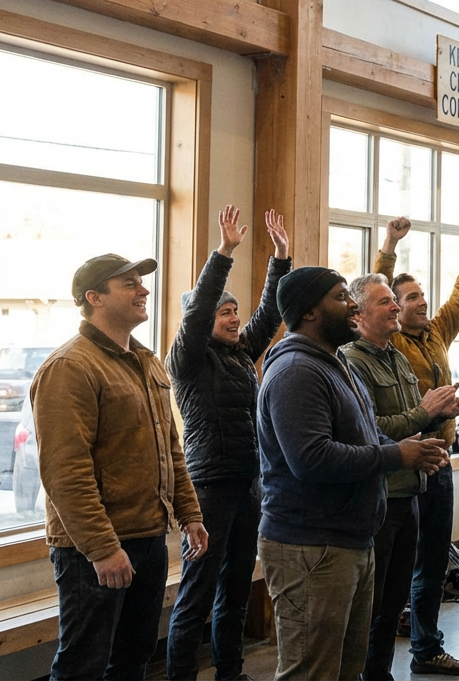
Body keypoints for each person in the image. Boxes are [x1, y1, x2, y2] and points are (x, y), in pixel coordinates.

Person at [258, 266, 450, 680]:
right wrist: (395, 456)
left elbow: (366, 432)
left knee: (347, 668)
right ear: (309, 311)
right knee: (312, 671)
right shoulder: (296, 371)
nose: (351, 306)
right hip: (311, 545)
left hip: (349, 539)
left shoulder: (334, 362)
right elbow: (311, 459)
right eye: (340, 297)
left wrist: (412, 450)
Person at [32, 253, 208, 681]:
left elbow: (170, 447)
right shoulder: (70, 367)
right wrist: (103, 549)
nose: (144, 290)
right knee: (83, 667)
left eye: (140, 282)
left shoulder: (146, 361)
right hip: (94, 548)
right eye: (129, 284)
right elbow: (65, 471)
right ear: (94, 297)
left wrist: (190, 512)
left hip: (148, 536)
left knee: (134, 659)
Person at [165, 206, 291, 681]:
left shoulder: (240, 354)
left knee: (236, 591)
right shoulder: (188, 360)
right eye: (225, 312)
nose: (235, 318)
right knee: (197, 594)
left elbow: (270, 313)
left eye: (235, 311)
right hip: (209, 489)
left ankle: (230, 673)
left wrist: (281, 258)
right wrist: (224, 252)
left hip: (247, 485)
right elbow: (198, 310)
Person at [343, 274, 459, 679]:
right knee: (375, 600)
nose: (396, 307)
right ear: (359, 314)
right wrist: (424, 413)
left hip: (415, 483)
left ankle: (389, 668)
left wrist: (438, 414)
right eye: (387, 301)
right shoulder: (351, 361)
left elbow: (410, 419)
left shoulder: (395, 357)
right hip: (382, 494)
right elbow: (369, 429)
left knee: (397, 597)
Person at [375, 214, 459, 670]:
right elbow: (371, 288)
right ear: (394, 308)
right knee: (400, 566)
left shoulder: (436, 331)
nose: (421, 302)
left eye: (422, 295)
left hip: (440, 461)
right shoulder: (390, 342)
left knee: (435, 561)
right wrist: (388, 245)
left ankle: (426, 649)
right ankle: (379, 660)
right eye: (411, 297)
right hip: (404, 464)